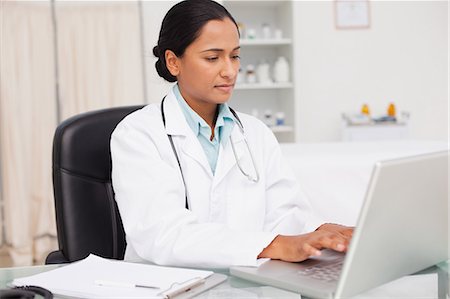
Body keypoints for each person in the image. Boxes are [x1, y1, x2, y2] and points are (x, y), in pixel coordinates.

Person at [111, 0, 353, 268]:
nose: (230, 71)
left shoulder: (255, 133)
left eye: (235, 56)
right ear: (173, 62)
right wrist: (275, 245)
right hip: (166, 286)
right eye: (212, 58)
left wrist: (321, 231)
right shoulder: (137, 134)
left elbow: (285, 213)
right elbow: (162, 234)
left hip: (245, 283)